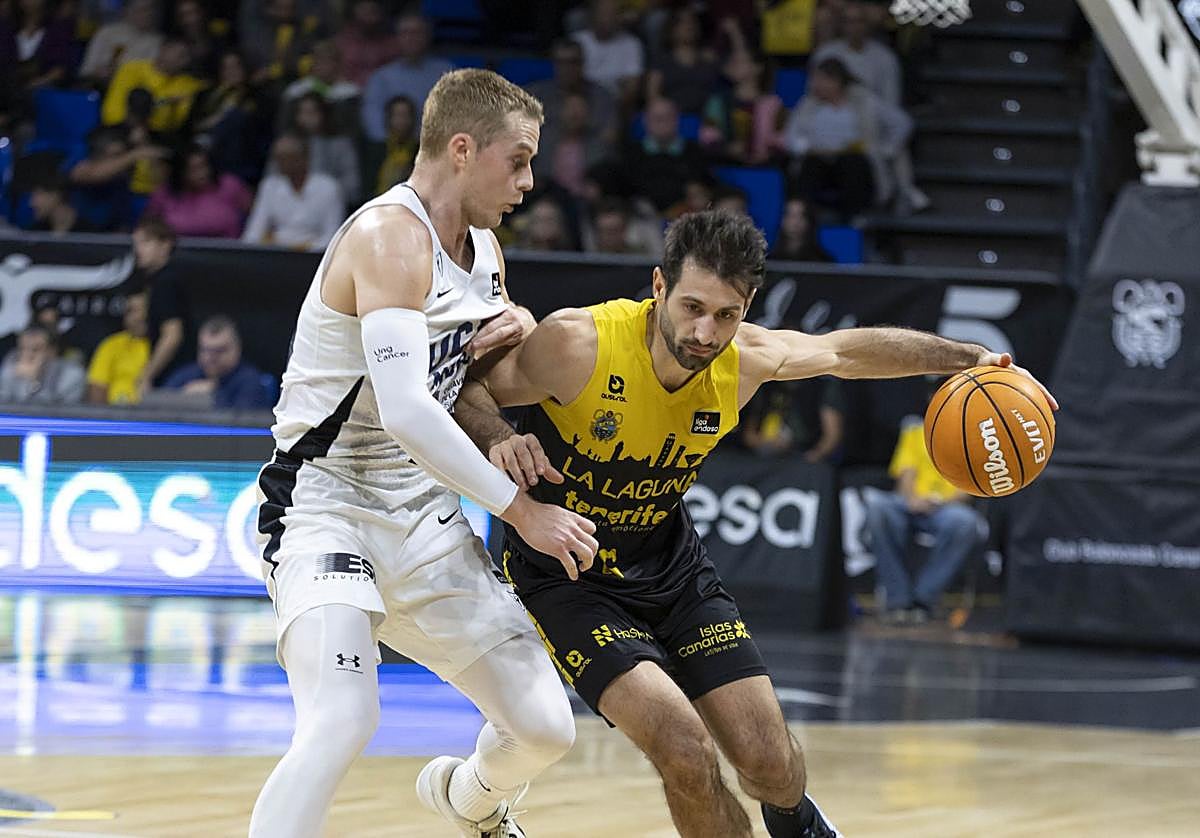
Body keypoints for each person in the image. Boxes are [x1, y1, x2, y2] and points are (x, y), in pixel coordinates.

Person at [452, 208, 1058, 838]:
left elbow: (844, 353)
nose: (705, 332)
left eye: (726, 315)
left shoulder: (743, 359)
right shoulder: (579, 343)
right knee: (684, 748)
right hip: (568, 576)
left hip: (670, 566)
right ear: (658, 286)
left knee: (772, 766)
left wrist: (967, 358)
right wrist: (498, 433)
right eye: (691, 307)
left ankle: (799, 819)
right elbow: (467, 390)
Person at [248, 68, 598, 838]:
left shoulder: (485, 251)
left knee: (546, 728)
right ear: (463, 149)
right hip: (326, 506)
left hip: (424, 516)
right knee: (342, 716)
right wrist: (522, 513)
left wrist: (503, 416)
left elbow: (457, 388)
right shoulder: (387, 236)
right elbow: (406, 407)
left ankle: (468, 802)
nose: (530, 181)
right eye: (519, 160)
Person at [865, 414, 987, 624]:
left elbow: (968, 489)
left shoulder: (973, 435)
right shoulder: (915, 429)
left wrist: (938, 502)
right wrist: (913, 499)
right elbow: (905, 474)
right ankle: (898, 599)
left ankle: (923, 599)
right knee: (878, 508)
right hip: (909, 503)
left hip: (946, 508)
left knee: (966, 523)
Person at [240, 134, 344, 250]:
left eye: (287, 158)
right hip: (276, 255)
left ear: (304, 158)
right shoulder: (269, 186)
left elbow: (333, 234)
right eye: (278, 158)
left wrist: (303, 250)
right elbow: (254, 231)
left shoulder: (328, 188)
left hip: (314, 257)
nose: (281, 163)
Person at [160, 314, 274, 408]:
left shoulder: (251, 381)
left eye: (219, 351)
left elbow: (246, 423)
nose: (210, 358)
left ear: (237, 349)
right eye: (205, 350)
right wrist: (183, 398)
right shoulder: (185, 375)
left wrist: (212, 396)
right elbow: (158, 405)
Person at [86, 290, 150, 405]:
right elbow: (97, 386)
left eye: (143, 309)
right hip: (115, 413)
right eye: (132, 311)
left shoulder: (162, 346)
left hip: (154, 414)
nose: (139, 317)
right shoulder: (112, 344)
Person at [0, 324, 86, 405]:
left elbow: (59, 414)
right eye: (22, 349)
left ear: (52, 352)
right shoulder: (10, 365)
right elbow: (3, 404)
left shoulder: (72, 374)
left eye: (36, 349)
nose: (27, 355)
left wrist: (34, 382)